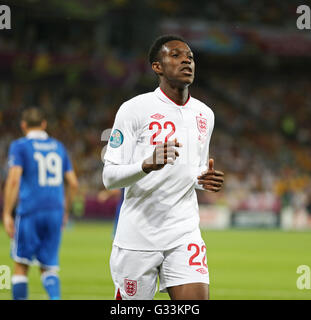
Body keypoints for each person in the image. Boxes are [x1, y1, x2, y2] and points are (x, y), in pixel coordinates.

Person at [103, 35, 224, 300]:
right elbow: (109, 177)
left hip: (184, 231)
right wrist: (145, 166)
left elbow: (192, 172)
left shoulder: (205, 114)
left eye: (190, 57)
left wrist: (202, 180)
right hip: (138, 235)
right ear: (157, 66)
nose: (186, 61)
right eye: (176, 55)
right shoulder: (134, 109)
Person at [2, 107, 79, 300]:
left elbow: (13, 180)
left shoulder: (20, 146)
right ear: (44, 124)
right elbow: (73, 183)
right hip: (55, 211)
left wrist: (6, 213)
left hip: (29, 210)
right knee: (49, 266)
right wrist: (65, 211)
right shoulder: (58, 146)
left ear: (23, 125)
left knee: (21, 264)